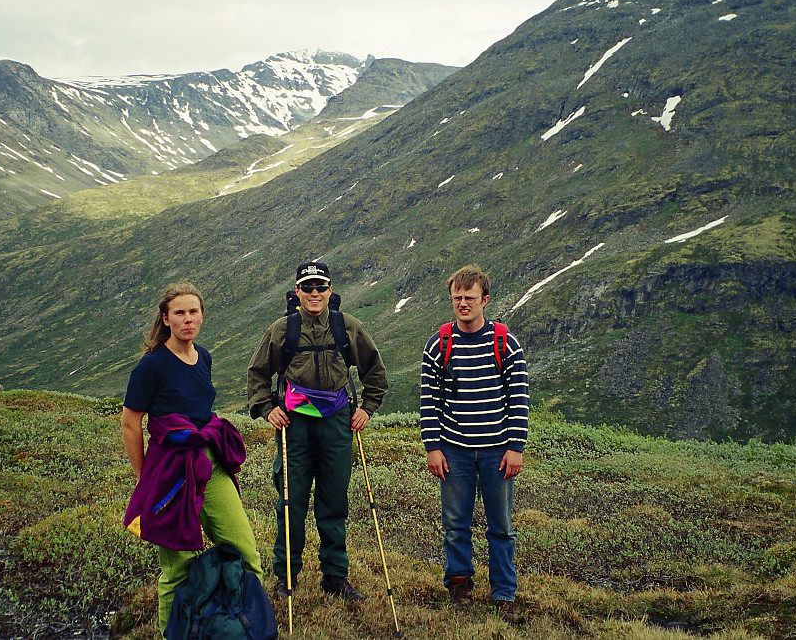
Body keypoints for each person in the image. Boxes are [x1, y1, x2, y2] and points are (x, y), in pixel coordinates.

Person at [121, 282, 264, 637]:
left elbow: (198, 410)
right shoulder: (151, 366)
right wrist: (145, 477)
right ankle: (176, 633)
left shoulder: (205, 357)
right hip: (170, 470)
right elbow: (130, 422)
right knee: (178, 569)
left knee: (245, 552)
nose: (188, 319)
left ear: (202, 315)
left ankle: (246, 627)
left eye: (193, 311)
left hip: (210, 465)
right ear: (166, 319)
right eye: (180, 313)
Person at [247, 261, 389, 602]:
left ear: (330, 290)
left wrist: (367, 409)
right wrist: (268, 409)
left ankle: (335, 577)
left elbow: (375, 371)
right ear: (297, 292)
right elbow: (257, 374)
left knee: (334, 501)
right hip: (294, 426)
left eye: (320, 287)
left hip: (337, 423)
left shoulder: (347, 327)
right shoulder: (282, 330)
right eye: (307, 287)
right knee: (290, 502)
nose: (314, 293)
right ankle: (286, 578)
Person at [420, 264, 529, 611]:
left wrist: (516, 447)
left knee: (502, 526)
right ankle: (459, 586)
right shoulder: (439, 345)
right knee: (455, 525)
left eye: (470, 298)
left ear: (485, 299)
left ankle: (503, 594)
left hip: (498, 451)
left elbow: (519, 398)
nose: (463, 304)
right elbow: (428, 400)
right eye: (457, 298)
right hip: (454, 451)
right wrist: (433, 447)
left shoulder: (505, 343)